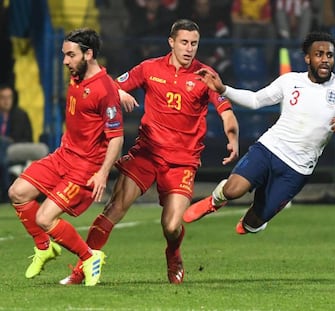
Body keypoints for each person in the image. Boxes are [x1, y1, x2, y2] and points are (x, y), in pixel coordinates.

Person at [59, 19, 239, 285]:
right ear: (172, 42)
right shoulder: (149, 68)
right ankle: (81, 268)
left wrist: (232, 137)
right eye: (184, 43)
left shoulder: (205, 75)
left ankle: (173, 253)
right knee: (114, 208)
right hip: (147, 153)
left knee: (171, 225)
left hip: (182, 162)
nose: (189, 49)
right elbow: (108, 86)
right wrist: (118, 94)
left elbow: (226, 111)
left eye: (194, 44)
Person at [183, 31, 335, 235]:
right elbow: (255, 100)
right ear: (308, 58)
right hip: (269, 149)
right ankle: (214, 200)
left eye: (329, 55)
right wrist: (223, 89)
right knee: (232, 191)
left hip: (298, 169)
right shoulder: (290, 81)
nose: (325, 59)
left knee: (250, 225)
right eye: (319, 54)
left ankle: (258, 217)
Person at [8, 28, 124, 286]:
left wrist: (103, 173)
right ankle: (44, 247)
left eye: (70, 55)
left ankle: (89, 257)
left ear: (89, 54)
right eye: (64, 55)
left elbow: (116, 137)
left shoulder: (104, 91)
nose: (65, 61)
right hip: (62, 155)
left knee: (44, 218)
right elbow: (103, 84)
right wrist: (120, 91)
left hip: (84, 167)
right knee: (17, 192)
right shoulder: (79, 73)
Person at [0, 84, 33, 202]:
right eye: (3, 98)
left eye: (8, 98)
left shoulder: (20, 115)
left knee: (3, 144)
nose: (6, 101)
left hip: (15, 148)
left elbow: (28, 138)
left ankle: (4, 193)